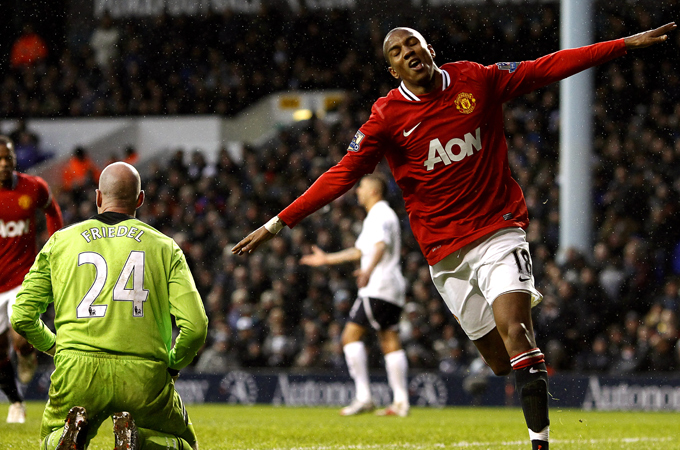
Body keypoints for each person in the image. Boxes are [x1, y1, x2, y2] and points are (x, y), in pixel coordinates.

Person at [233, 23, 677, 450]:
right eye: (397, 52)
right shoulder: (386, 116)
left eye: (413, 43)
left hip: (498, 230)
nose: (408, 52)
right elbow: (341, 175)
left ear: (430, 50)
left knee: (518, 333)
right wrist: (277, 223)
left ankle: (540, 441)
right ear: (393, 70)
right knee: (501, 362)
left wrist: (622, 44)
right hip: (445, 254)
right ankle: (516, 316)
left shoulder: (475, 80)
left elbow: (547, 66)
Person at [11, 162, 208, 450]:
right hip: (143, 374)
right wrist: (172, 363)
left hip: (78, 369)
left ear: (98, 197)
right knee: (183, 443)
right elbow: (196, 327)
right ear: (140, 199)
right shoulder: (165, 247)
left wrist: (55, 346)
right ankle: (139, 440)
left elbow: (21, 316)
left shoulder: (60, 242)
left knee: (50, 439)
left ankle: (66, 437)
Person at [300, 174, 409, 417]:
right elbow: (359, 251)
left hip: (378, 286)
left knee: (349, 337)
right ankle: (400, 402)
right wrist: (327, 259)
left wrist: (368, 271)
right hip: (392, 286)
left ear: (374, 191)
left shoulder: (379, 214)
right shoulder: (384, 214)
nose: (358, 191)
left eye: (361, 187)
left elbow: (380, 245)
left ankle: (364, 397)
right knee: (389, 339)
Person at [0, 135, 63, 423]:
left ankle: (26, 353)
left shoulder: (33, 187)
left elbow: (52, 210)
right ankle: (16, 402)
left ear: (15, 160)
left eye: (8, 158)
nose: (4, 164)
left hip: (22, 276)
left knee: (20, 334)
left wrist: (55, 243)